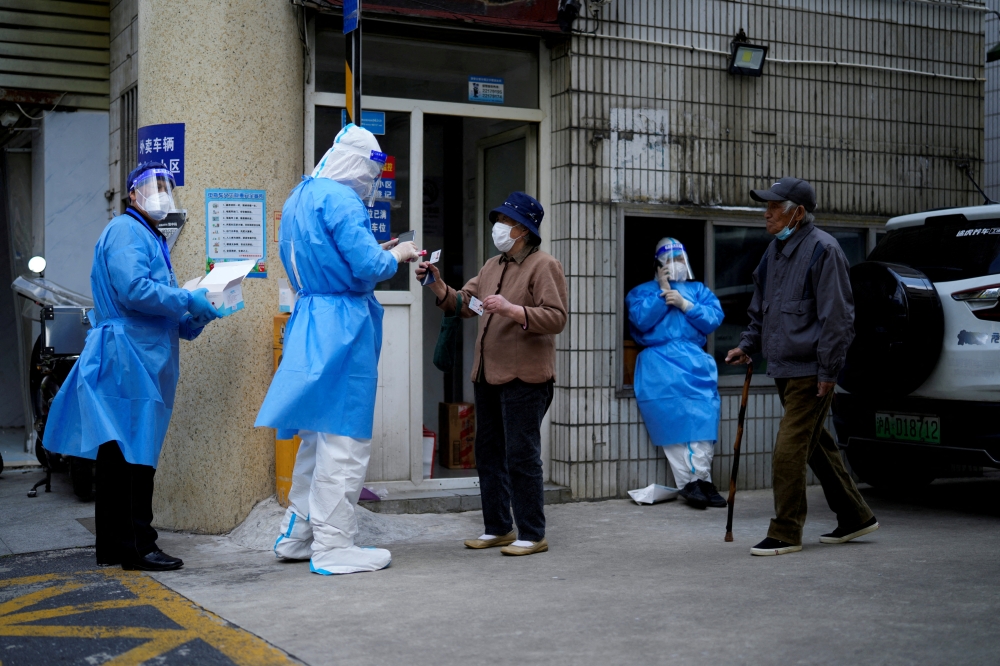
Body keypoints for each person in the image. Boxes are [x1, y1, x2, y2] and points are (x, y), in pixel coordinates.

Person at [255, 124, 419, 575]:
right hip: (344, 325)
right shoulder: (343, 200)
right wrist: (399, 255)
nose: (372, 181)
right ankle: (334, 546)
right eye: (372, 170)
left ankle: (297, 535)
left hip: (309, 319)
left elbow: (327, 256)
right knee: (344, 439)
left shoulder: (299, 197)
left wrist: (374, 251)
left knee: (315, 435)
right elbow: (368, 266)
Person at [43, 162, 221, 571]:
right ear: (132, 194)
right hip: (129, 357)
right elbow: (135, 290)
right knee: (133, 457)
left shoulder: (147, 235)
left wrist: (199, 314)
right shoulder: (127, 231)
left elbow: (159, 306)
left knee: (120, 457)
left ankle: (115, 546)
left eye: (166, 185)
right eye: (151, 186)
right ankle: (138, 546)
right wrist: (186, 299)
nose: (160, 192)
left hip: (140, 353)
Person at [725, 177, 878, 556]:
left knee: (789, 449)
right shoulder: (773, 253)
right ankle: (855, 515)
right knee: (816, 446)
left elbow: (838, 318)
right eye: (767, 206)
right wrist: (748, 345)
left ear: (798, 213)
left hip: (811, 371)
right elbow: (762, 308)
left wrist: (828, 371)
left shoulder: (824, 250)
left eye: (775, 207)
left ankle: (786, 529)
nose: (767, 213)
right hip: (784, 367)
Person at [416, 192, 567, 556]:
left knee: (521, 454)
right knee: (488, 454)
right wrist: (434, 282)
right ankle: (497, 527)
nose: (499, 227)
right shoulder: (491, 266)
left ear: (524, 230)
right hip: (488, 373)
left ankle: (532, 533)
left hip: (526, 377)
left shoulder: (544, 265)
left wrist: (515, 310)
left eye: (506, 221)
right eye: (498, 219)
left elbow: (557, 317)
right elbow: (463, 304)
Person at [626, 238, 726, 509]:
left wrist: (686, 304)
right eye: (669, 261)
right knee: (672, 426)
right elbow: (639, 320)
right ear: (658, 265)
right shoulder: (641, 292)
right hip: (658, 364)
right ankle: (692, 484)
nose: (676, 265)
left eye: (680, 259)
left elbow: (714, 319)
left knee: (704, 422)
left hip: (696, 363)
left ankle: (701, 481)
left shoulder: (698, 290)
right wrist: (663, 293)